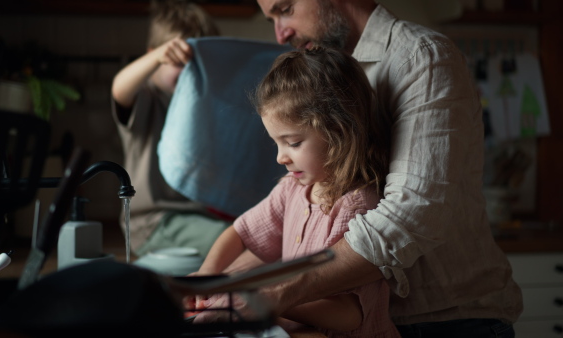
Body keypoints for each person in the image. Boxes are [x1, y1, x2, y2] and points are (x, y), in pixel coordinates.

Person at [198, 0, 524, 337]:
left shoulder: (420, 58)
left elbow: (410, 215)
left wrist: (279, 294)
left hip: (448, 321)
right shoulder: (330, 74)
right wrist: (211, 289)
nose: (281, 34)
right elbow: (279, 238)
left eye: (285, 9)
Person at [187, 47, 399, 337]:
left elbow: (348, 316)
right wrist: (207, 277)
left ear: (338, 132)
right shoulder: (292, 190)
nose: (280, 157)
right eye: (276, 143)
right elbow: (240, 233)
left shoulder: (355, 207)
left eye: (293, 143)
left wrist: (269, 301)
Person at [110, 0, 230, 258]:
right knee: (230, 240)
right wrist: (155, 57)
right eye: (179, 61)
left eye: (198, 63)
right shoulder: (147, 98)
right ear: (156, 55)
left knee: (245, 235)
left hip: (198, 217)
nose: (190, 71)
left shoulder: (201, 102)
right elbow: (120, 89)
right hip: (152, 222)